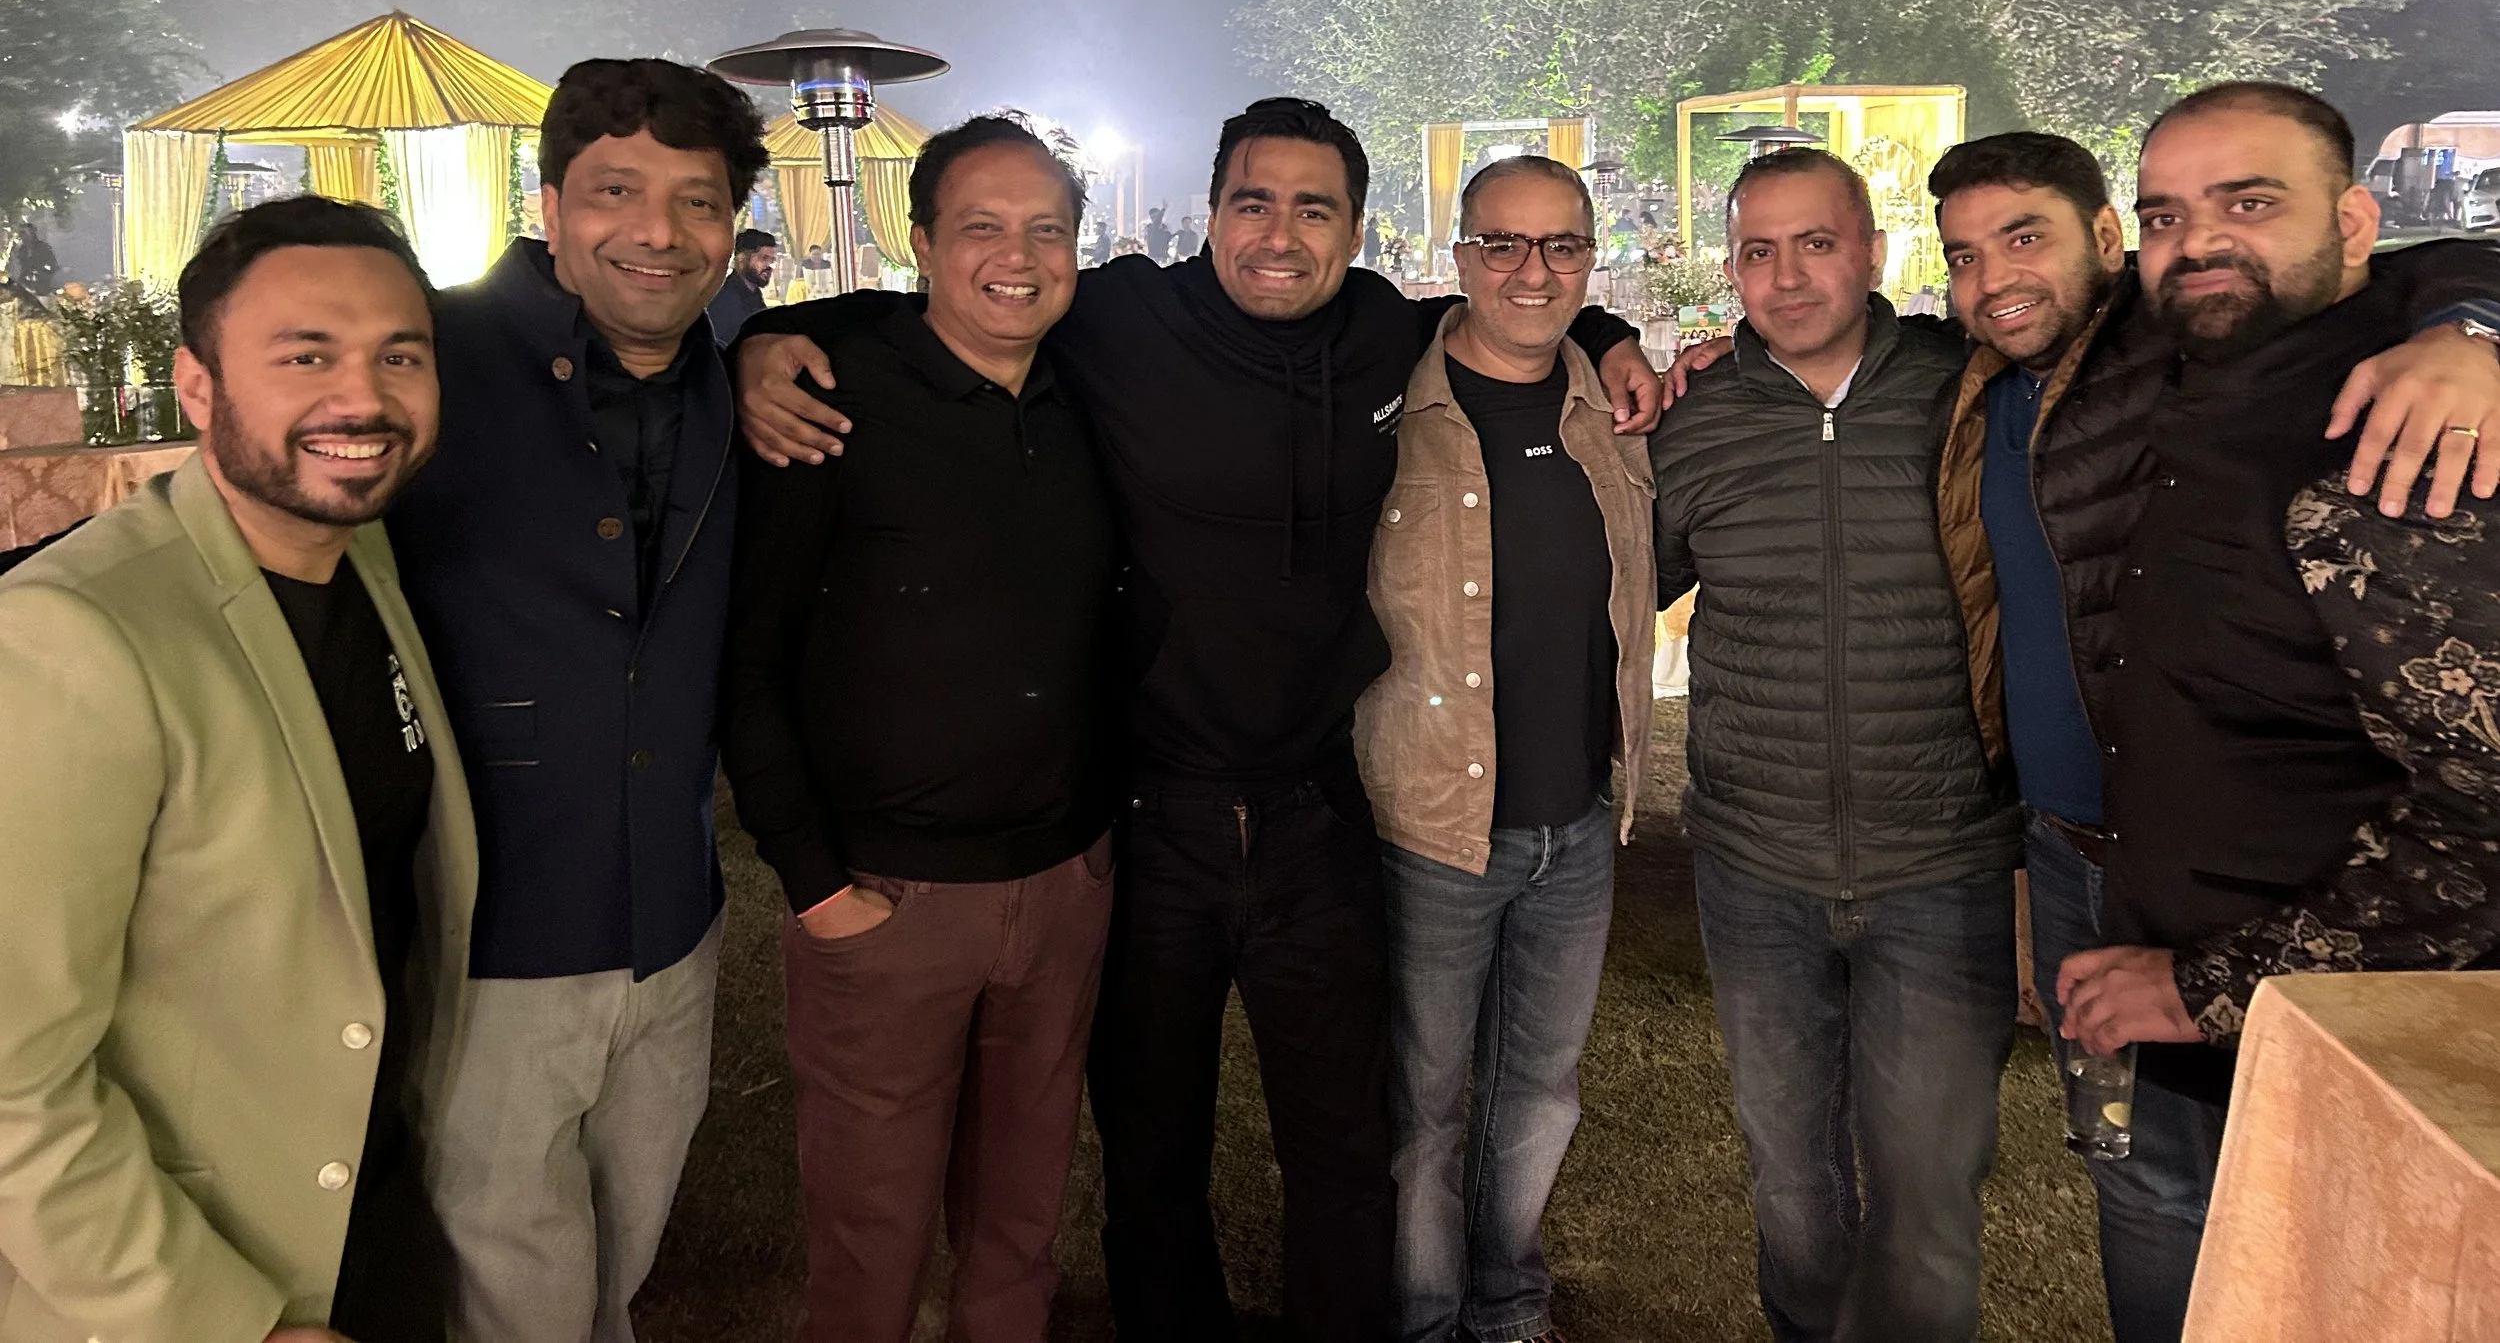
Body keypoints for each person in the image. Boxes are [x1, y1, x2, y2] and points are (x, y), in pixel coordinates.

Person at [734, 96, 1662, 1343]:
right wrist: (772, 333)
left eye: (1313, 208)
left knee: (1344, 1151)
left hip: (1320, 813)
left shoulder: (1389, 338)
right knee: (1151, 1155)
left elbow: (1512, 305)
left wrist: (1603, 326)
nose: (1280, 234)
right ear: (1210, 213)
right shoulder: (1120, 319)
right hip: (1146, 813)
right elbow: (950, 308)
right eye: (1252, 202)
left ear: (1355, 230)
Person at [1928, 122, 2500, 1343]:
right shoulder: (1976, 381)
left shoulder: (2236, 360)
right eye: (1964, 256)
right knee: (2143, 1183)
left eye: (2023, 237)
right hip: (2086, 854)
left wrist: (2471, 332)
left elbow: (2446, 262)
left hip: (2299, 906)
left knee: (2315, 1225)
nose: (1995, 278)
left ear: (2100, 242)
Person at [0, 195, 475, 1343]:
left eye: (396, 356)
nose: (361, 398)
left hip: (370, 1213)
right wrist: (220, 1321)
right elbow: (12, 1079)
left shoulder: (360, 555)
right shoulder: (75, 636)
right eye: (305, 355)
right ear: (199, 386)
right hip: (190, 1276)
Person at [2042, 87, 2500, 1211]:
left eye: (2248, 202)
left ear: (2351, 222)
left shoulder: (2410, 443)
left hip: (2347, 1061)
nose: (2198, 241)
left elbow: (2487, 821)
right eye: (2163, 216)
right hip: (2157, 999)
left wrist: (2208, 990)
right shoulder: (2167, 359)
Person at [718, 117, 1121, 1342]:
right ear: (923, 243)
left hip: (1061, 885)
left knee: (1019, 1225)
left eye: (1045, 229)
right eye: (983, 228)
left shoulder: (1088, 392)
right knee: (869, 1237)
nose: (1017, 255)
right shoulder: (829, 403)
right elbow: (751, 656)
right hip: (885, 897)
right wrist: (815, 883)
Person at [387, 58, 769, 1343]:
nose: (658, 232)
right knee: (503, 1278)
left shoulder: (729, 373)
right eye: (617, 190)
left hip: (673, 919)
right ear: (550, 203)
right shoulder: (427, 357)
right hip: (491, 930)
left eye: (698, 203)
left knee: (619, 1254)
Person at [1650, 147, 2021, 1343]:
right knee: (1793, 1192)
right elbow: (1609, 571)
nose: (1787, 276)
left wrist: (2465, 318)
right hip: (1755, 867)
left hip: (1940, 864)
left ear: (1872, 252)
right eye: (1757, 251)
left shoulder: (1971, 395)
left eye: (1815, 243)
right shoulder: (1695, 425)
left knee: (1923, 1204)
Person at [1355, 156, 1655, 1343]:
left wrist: (1628, 343)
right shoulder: (1386, 411)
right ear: (1457, 255)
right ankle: (1425, 1318)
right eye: (1501, 245)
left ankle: (1509, 1302)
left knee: (1538, 1092)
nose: (1531, 272)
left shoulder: (1618, 411)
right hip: (1431, 827)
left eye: (1560, 247)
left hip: (1576, 825)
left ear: (1590, 259)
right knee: (1423, 1106)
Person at [706, 226, 779, 343]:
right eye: (764, 258)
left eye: (772, 260)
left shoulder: (754, 293)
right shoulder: (724, 300)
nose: (769, 266)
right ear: (741, 260)